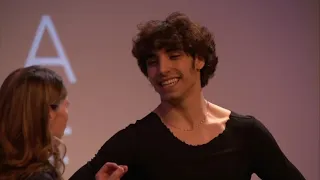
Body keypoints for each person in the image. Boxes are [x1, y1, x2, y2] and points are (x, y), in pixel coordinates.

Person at [70, 12, 305, 180]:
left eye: (174, 56)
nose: (162, 70)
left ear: (199, 60)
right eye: (152, 62)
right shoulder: (134, 141)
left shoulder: (246, 133)